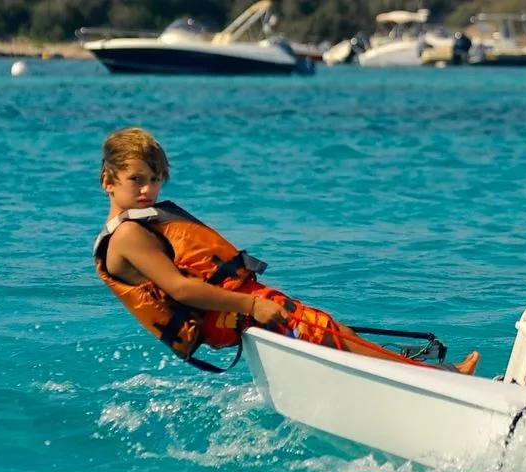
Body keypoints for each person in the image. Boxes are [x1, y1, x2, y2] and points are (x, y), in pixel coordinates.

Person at [93, 127, 479, 374]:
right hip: (229, 312)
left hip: (231, 307)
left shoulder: (140, 225)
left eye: (155, 179)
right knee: (325, 331)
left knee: (329, 329)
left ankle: (422, 376)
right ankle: (443, 379)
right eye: (136, 179)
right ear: (108, 181)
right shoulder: (128, 235)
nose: (148, 189)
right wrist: (252, 305)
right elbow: (180, 289)